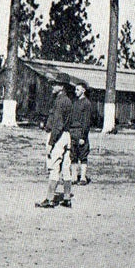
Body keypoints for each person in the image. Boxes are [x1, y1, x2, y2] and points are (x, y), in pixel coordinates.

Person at [36, 74, 73, 208]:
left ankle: (50, 199)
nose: (52, 86)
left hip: (58, 136)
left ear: (62, 87)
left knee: (54, 167)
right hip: (66, 136)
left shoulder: (59, 101)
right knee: (66, 168)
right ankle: (67, 198)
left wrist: (51, 143)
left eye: (55, 84)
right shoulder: (68, 101)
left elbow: (58, 124)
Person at [70, 79, 93, 185]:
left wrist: (83, 136)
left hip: (80, 131)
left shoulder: (87, 103)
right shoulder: (75, 103)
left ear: (83, 90)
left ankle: (83, 177)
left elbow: (86, 121)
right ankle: (74, 177)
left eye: (78, 90)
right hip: (72, 131)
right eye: (75, 89)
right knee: (73, 155)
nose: (75, 91)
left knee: (83, 156)